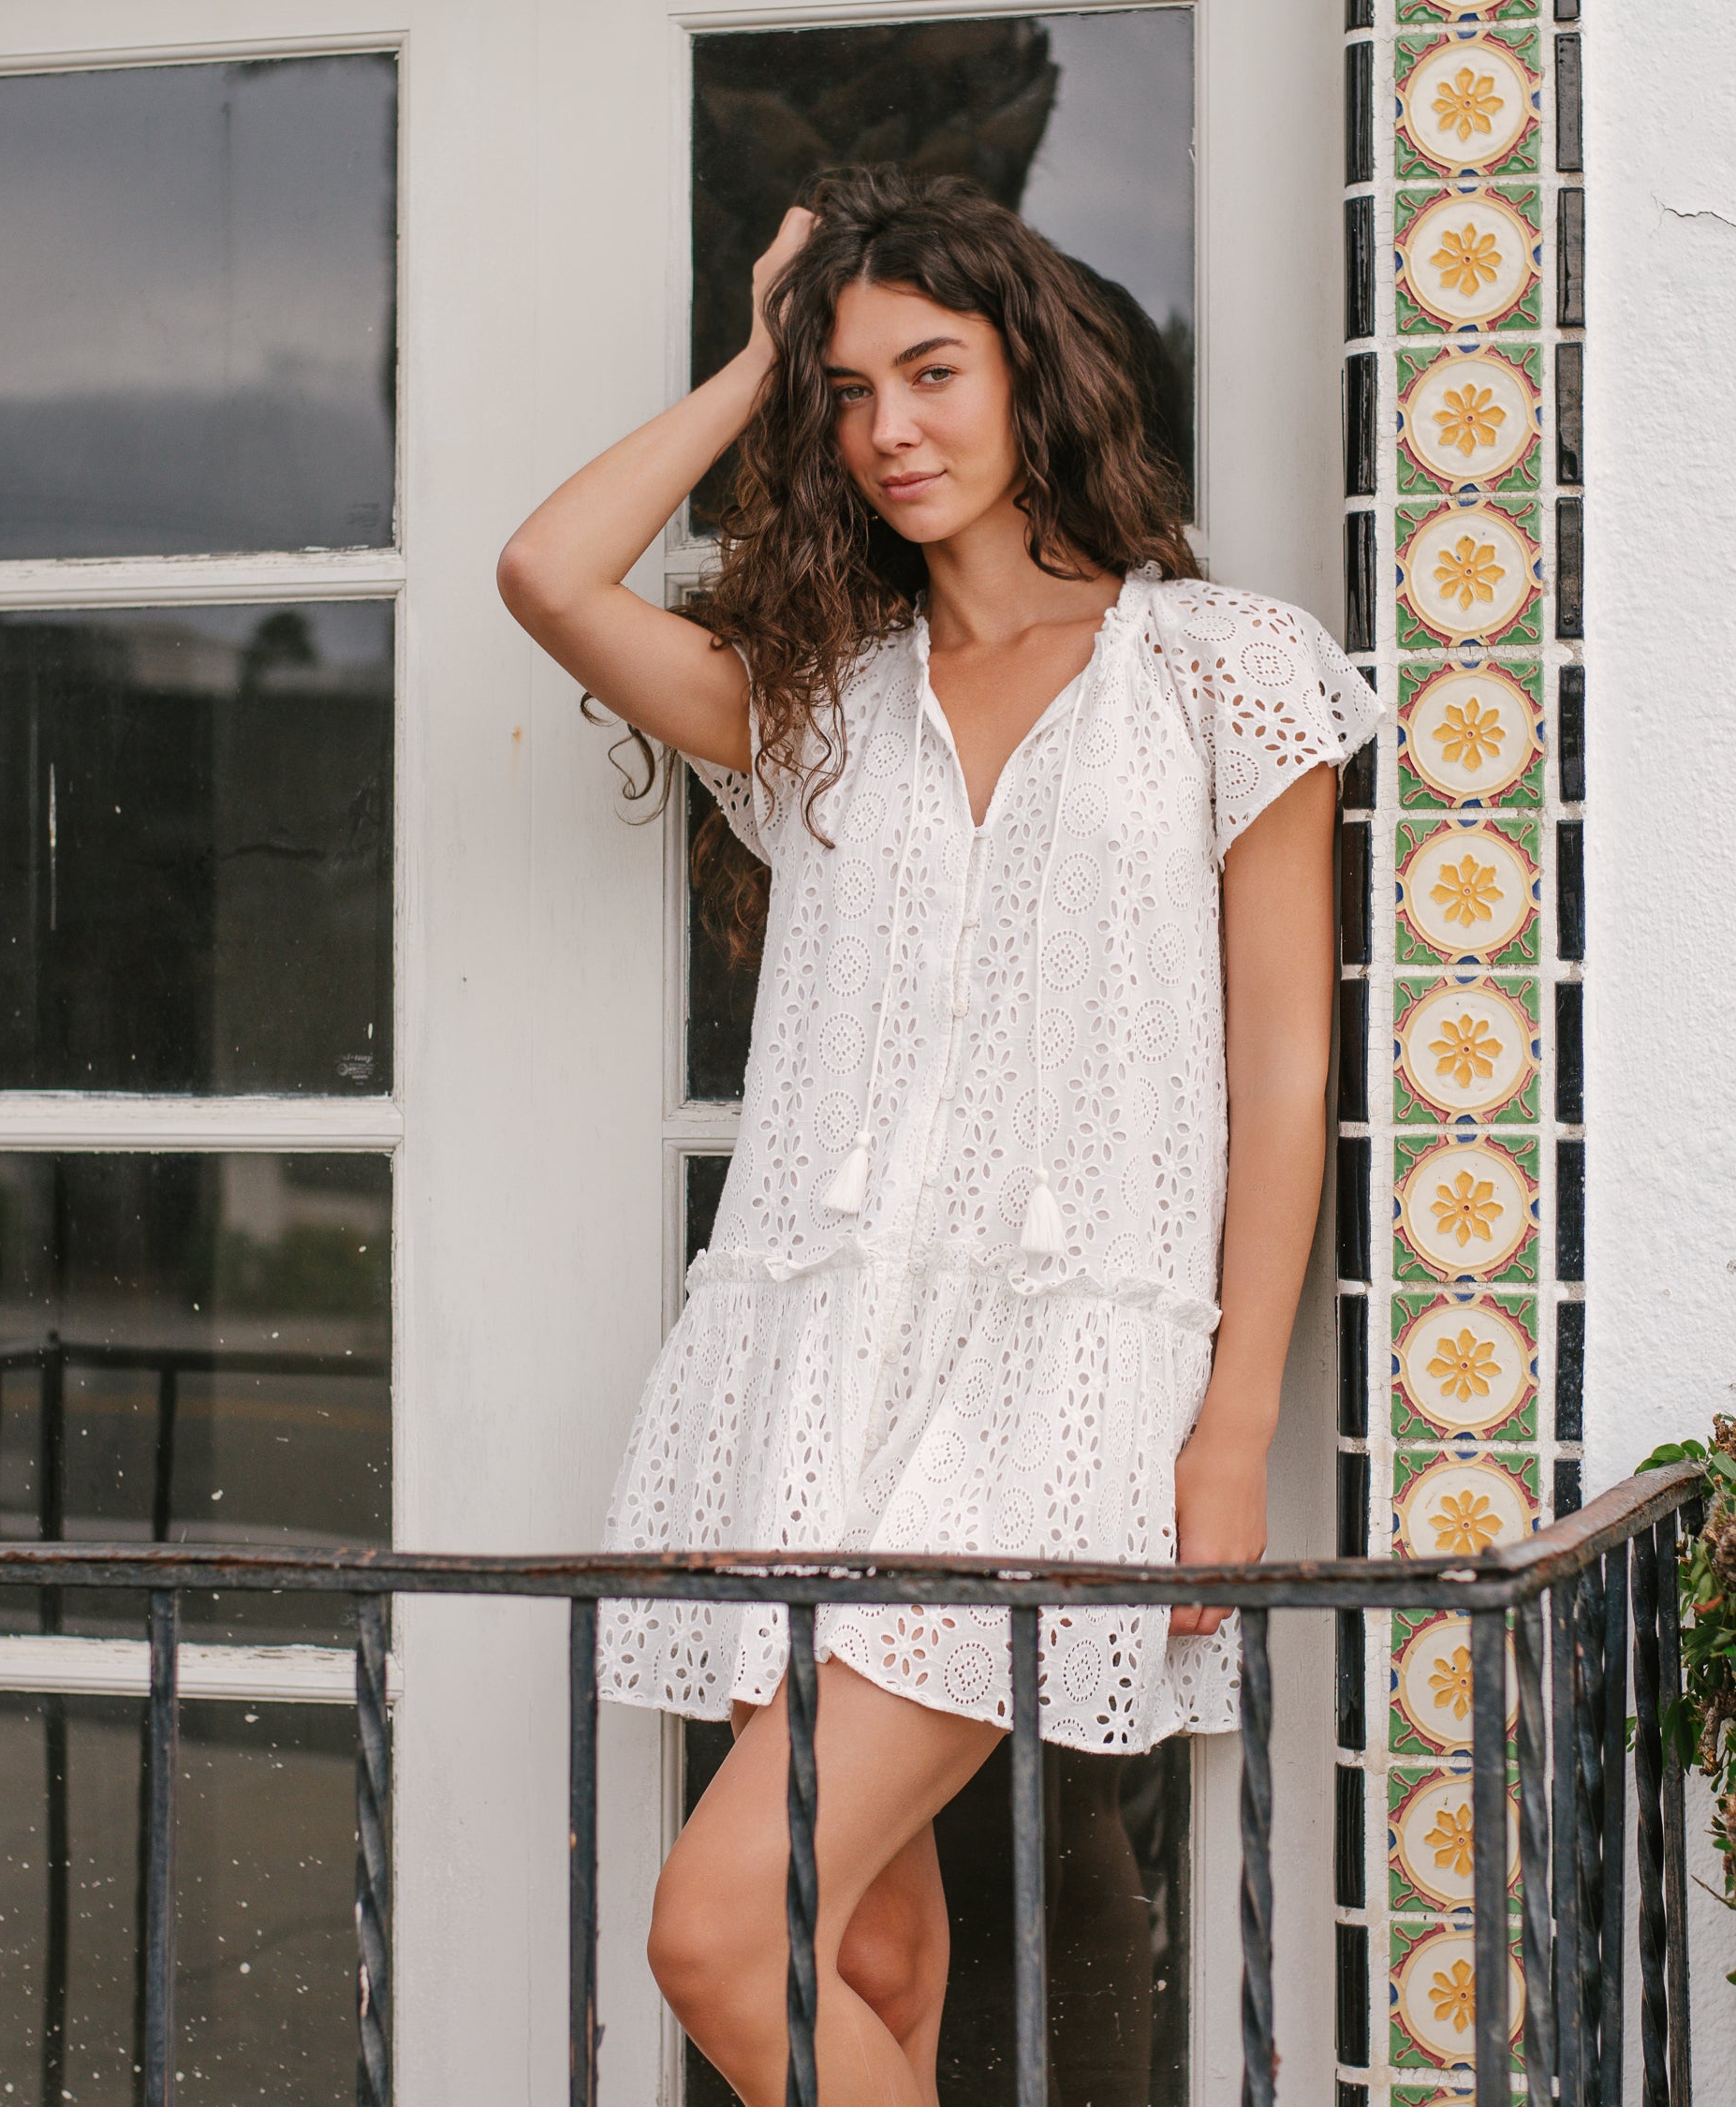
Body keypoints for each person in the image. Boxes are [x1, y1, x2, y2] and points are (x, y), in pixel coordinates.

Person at [496, 164, 1378, 2107]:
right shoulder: (824, 704)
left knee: (717, 1931)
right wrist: (757, 355)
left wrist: (1233, 1424)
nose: (889, 427)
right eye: (849, 392)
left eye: (931, 372)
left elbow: (1282, 1068)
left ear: (1032, 372)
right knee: (865, 1945)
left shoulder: (1222, 667)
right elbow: (550, 575)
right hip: (809, 1367)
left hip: (1056, 1381)